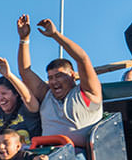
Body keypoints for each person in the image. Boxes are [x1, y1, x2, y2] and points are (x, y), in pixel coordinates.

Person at [17, 15, 104, 147]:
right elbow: (25, 71)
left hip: (78, 155)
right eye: (50, 78)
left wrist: (55, 35)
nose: (53, 81)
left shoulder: (87, 94)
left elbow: (83, 59)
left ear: (72, 76)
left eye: (59, 76)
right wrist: (24, 39)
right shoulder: (47, 95)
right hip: (47, 155)